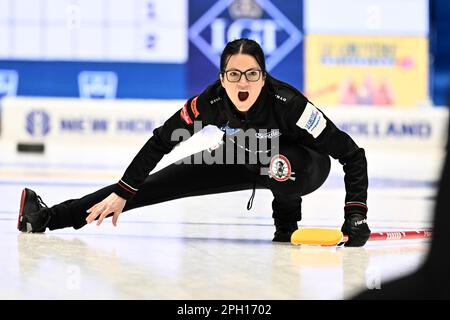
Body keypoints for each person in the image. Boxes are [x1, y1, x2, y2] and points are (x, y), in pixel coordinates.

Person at [17, 38, 370, 246]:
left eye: (251, 74)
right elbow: (160, 143)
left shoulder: (289, 104)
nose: (242, 83)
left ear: (263, 77)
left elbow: (352, 156)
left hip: (306, 165)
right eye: (233, 75)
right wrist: (124, 190)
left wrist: (355, 216)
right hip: (239, 155)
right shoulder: (210, 102)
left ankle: (286, 222)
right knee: (150, 186)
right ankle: (47, 217)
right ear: (222, 78)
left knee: (281, 164)